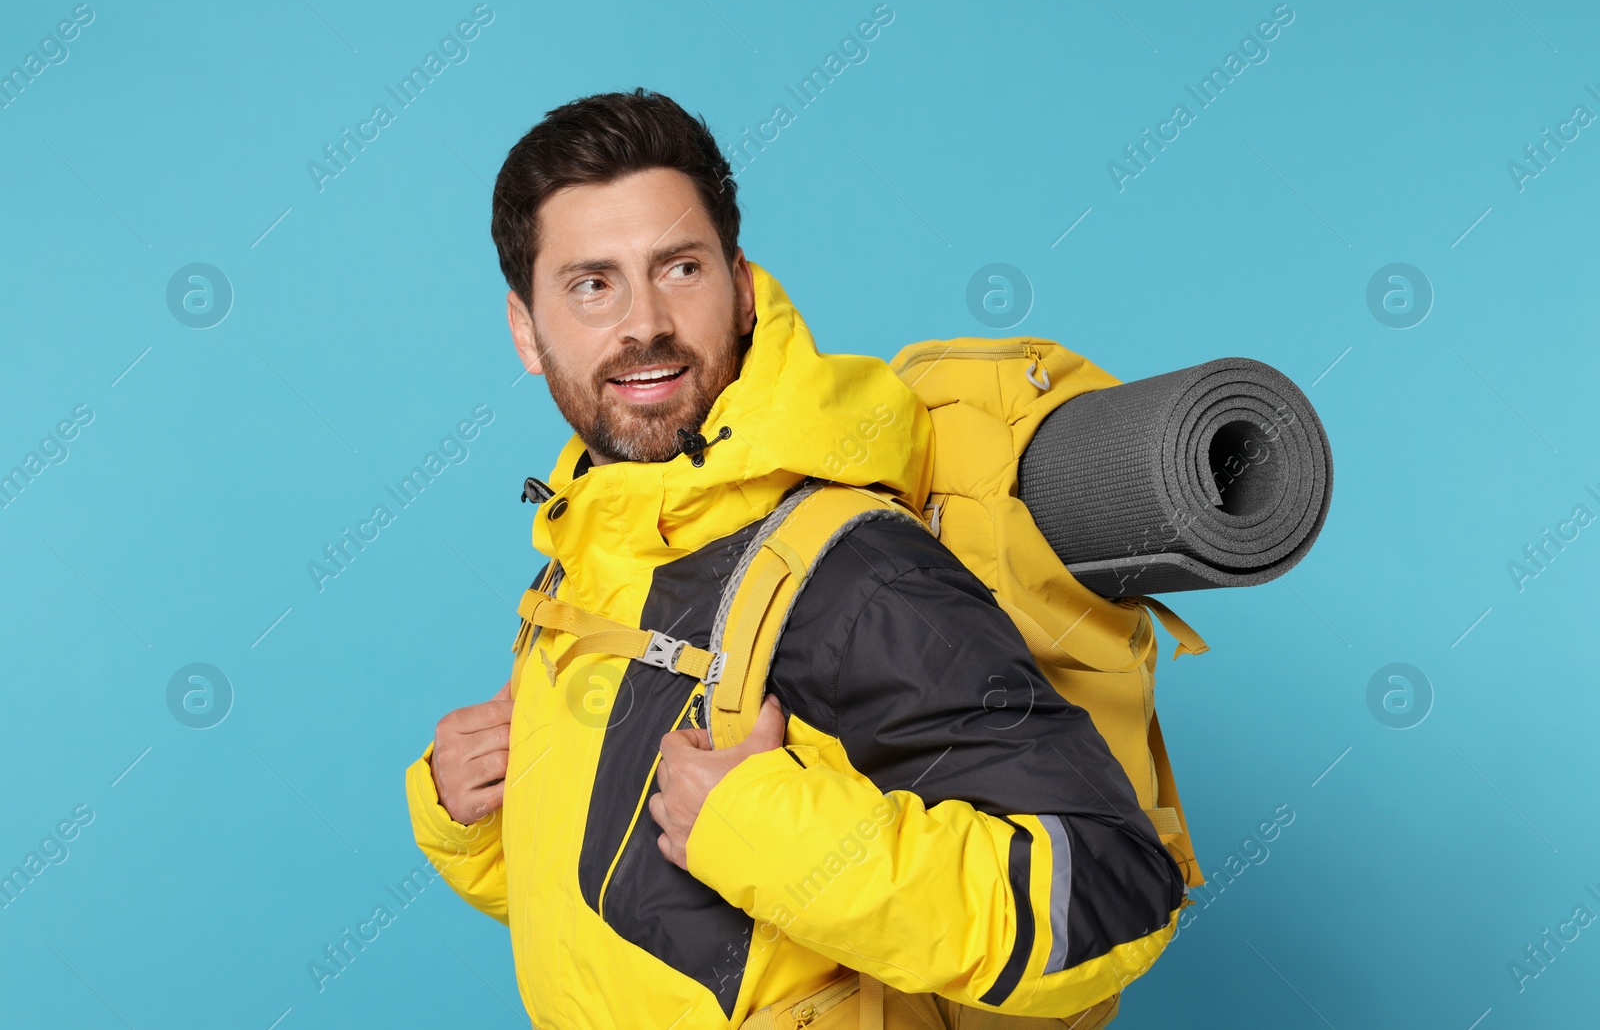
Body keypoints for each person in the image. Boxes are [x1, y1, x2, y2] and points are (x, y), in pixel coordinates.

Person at [405, 88, 1186, 1029]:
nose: (644, 322)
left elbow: (1115, 896)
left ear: (739, 289)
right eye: (591, 284)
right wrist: (469, 816)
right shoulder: (589, 550)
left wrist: (763, 831)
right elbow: (636, 920)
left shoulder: (853, 575)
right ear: (527, 331)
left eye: (679, 269)